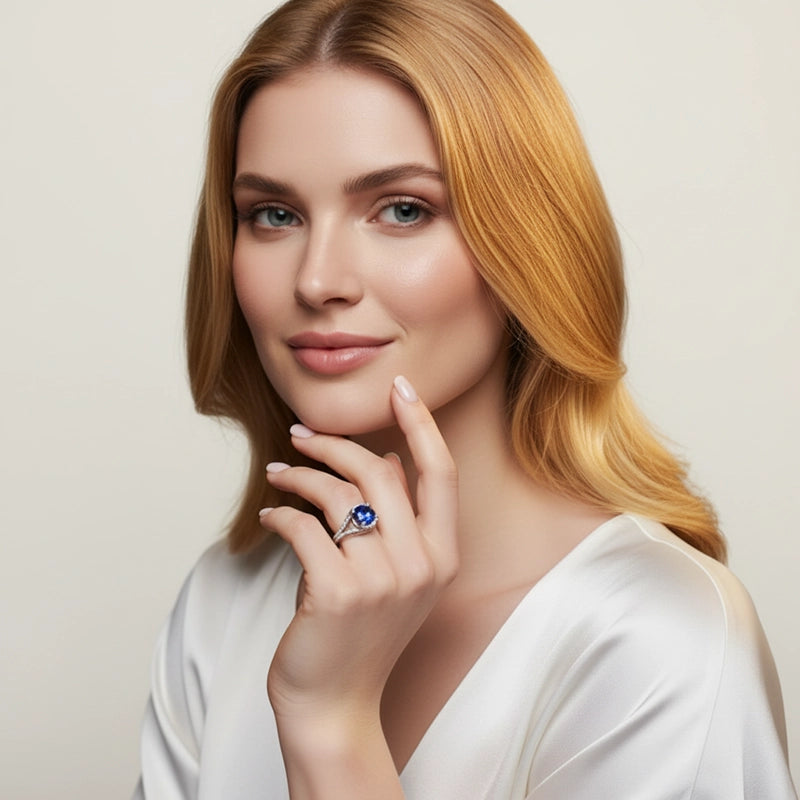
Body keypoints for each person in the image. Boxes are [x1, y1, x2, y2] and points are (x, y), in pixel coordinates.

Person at [132, 0, 796, 797]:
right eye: (273, 215)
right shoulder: (225, 600)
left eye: (403, 209)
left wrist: (330, 720)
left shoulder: (662, 641)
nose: (317, 280)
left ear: (525, 239)